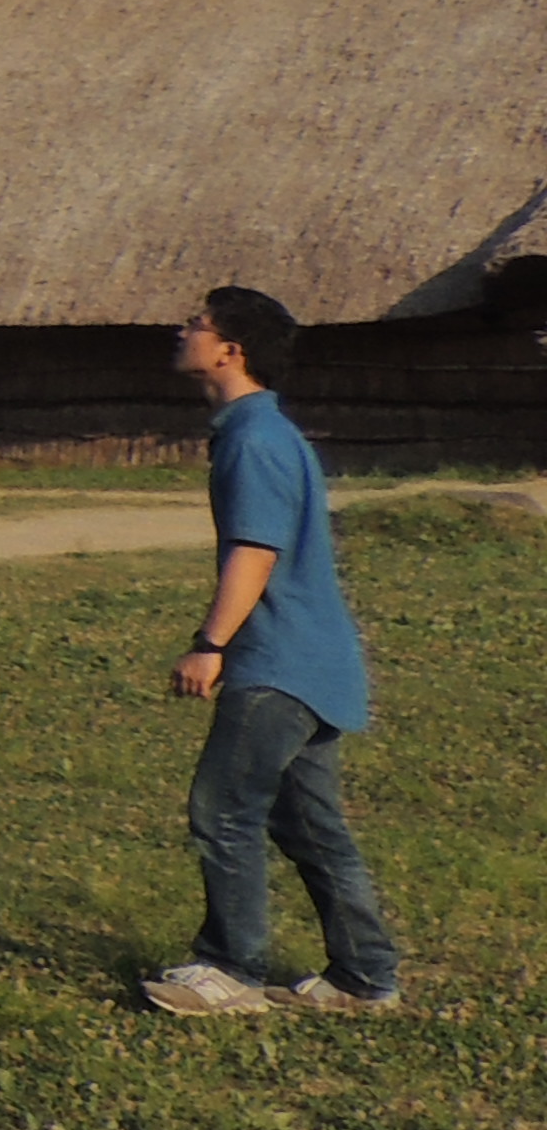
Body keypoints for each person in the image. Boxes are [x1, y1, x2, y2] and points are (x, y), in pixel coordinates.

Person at [143, 288, 403, 1018]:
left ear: (230, 349)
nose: (182, 328)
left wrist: (209, 644)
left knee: (223, 809)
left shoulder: (256, 439)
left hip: (277, 665)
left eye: (195, 323)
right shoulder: (261, 430)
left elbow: (255, 553)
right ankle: (365, 976)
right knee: (310, 827)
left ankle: (230, 970)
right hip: (317, 665)